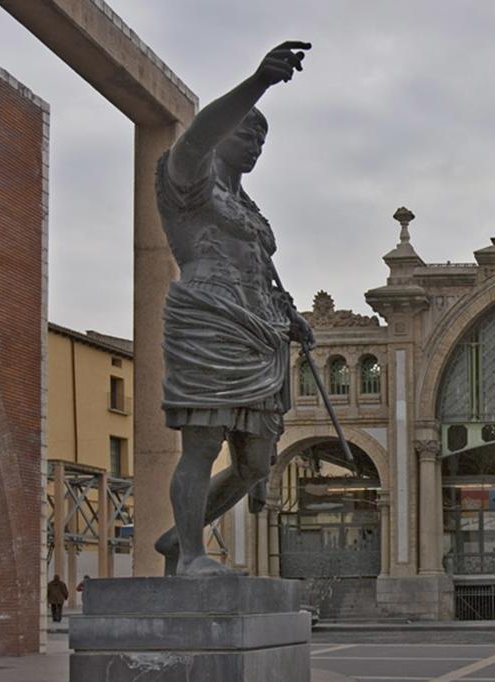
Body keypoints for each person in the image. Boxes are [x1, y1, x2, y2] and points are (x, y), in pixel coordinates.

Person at [152, 41, 316, 576]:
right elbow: (197, 132)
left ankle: (180, 538)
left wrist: (289, 317)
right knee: (201, 444)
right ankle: (194, 557)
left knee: (253, 463)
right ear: (221, 132)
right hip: (210, 320)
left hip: (260, 332)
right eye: (248, 133)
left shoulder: (248, 206)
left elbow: (263, 274)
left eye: (262, 140)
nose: (255, 146)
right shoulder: (187, 181)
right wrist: (258, 82)